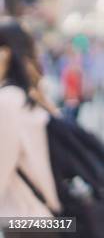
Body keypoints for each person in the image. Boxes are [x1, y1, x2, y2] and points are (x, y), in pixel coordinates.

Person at [0, 18, 62, 225]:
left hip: (25, 219)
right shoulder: (36, 96)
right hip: (45, 216)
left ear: (5, 53)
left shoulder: (8, 101)